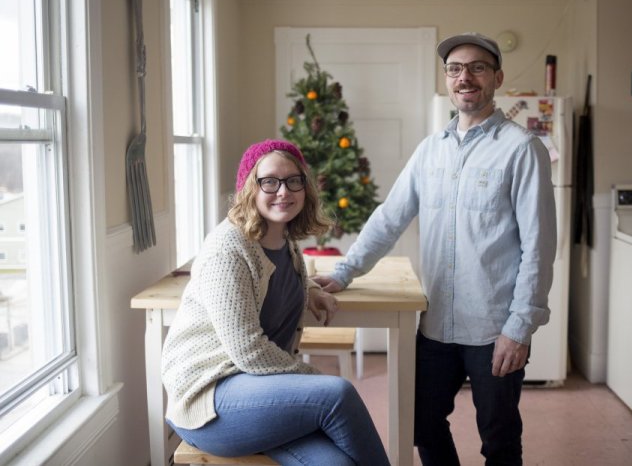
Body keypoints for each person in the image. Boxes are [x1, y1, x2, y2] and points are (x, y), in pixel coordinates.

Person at [313, 32, 556, 465]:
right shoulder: (430, 151)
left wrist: (520, 327)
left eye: (477, 67)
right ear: (447, 80)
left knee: (498, 438)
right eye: (455, 69)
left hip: (494, 326)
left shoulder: (523, 149)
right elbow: (390, 217)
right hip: (436, 326)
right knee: (421, 423)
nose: (465, 77)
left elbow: (539, 246)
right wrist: (346, 270)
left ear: (496, 77)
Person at [161, 139, 390, 466]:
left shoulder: (284, 241)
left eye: (293, 181)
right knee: (336, 395)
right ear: (249, 188)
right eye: (269, 181)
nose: (283, 191)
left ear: (304, 189)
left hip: (261, 395)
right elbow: (249, 351)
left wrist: (309, 288)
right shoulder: (227, 249)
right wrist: (310, 377)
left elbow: (272, 279)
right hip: (210, 400)